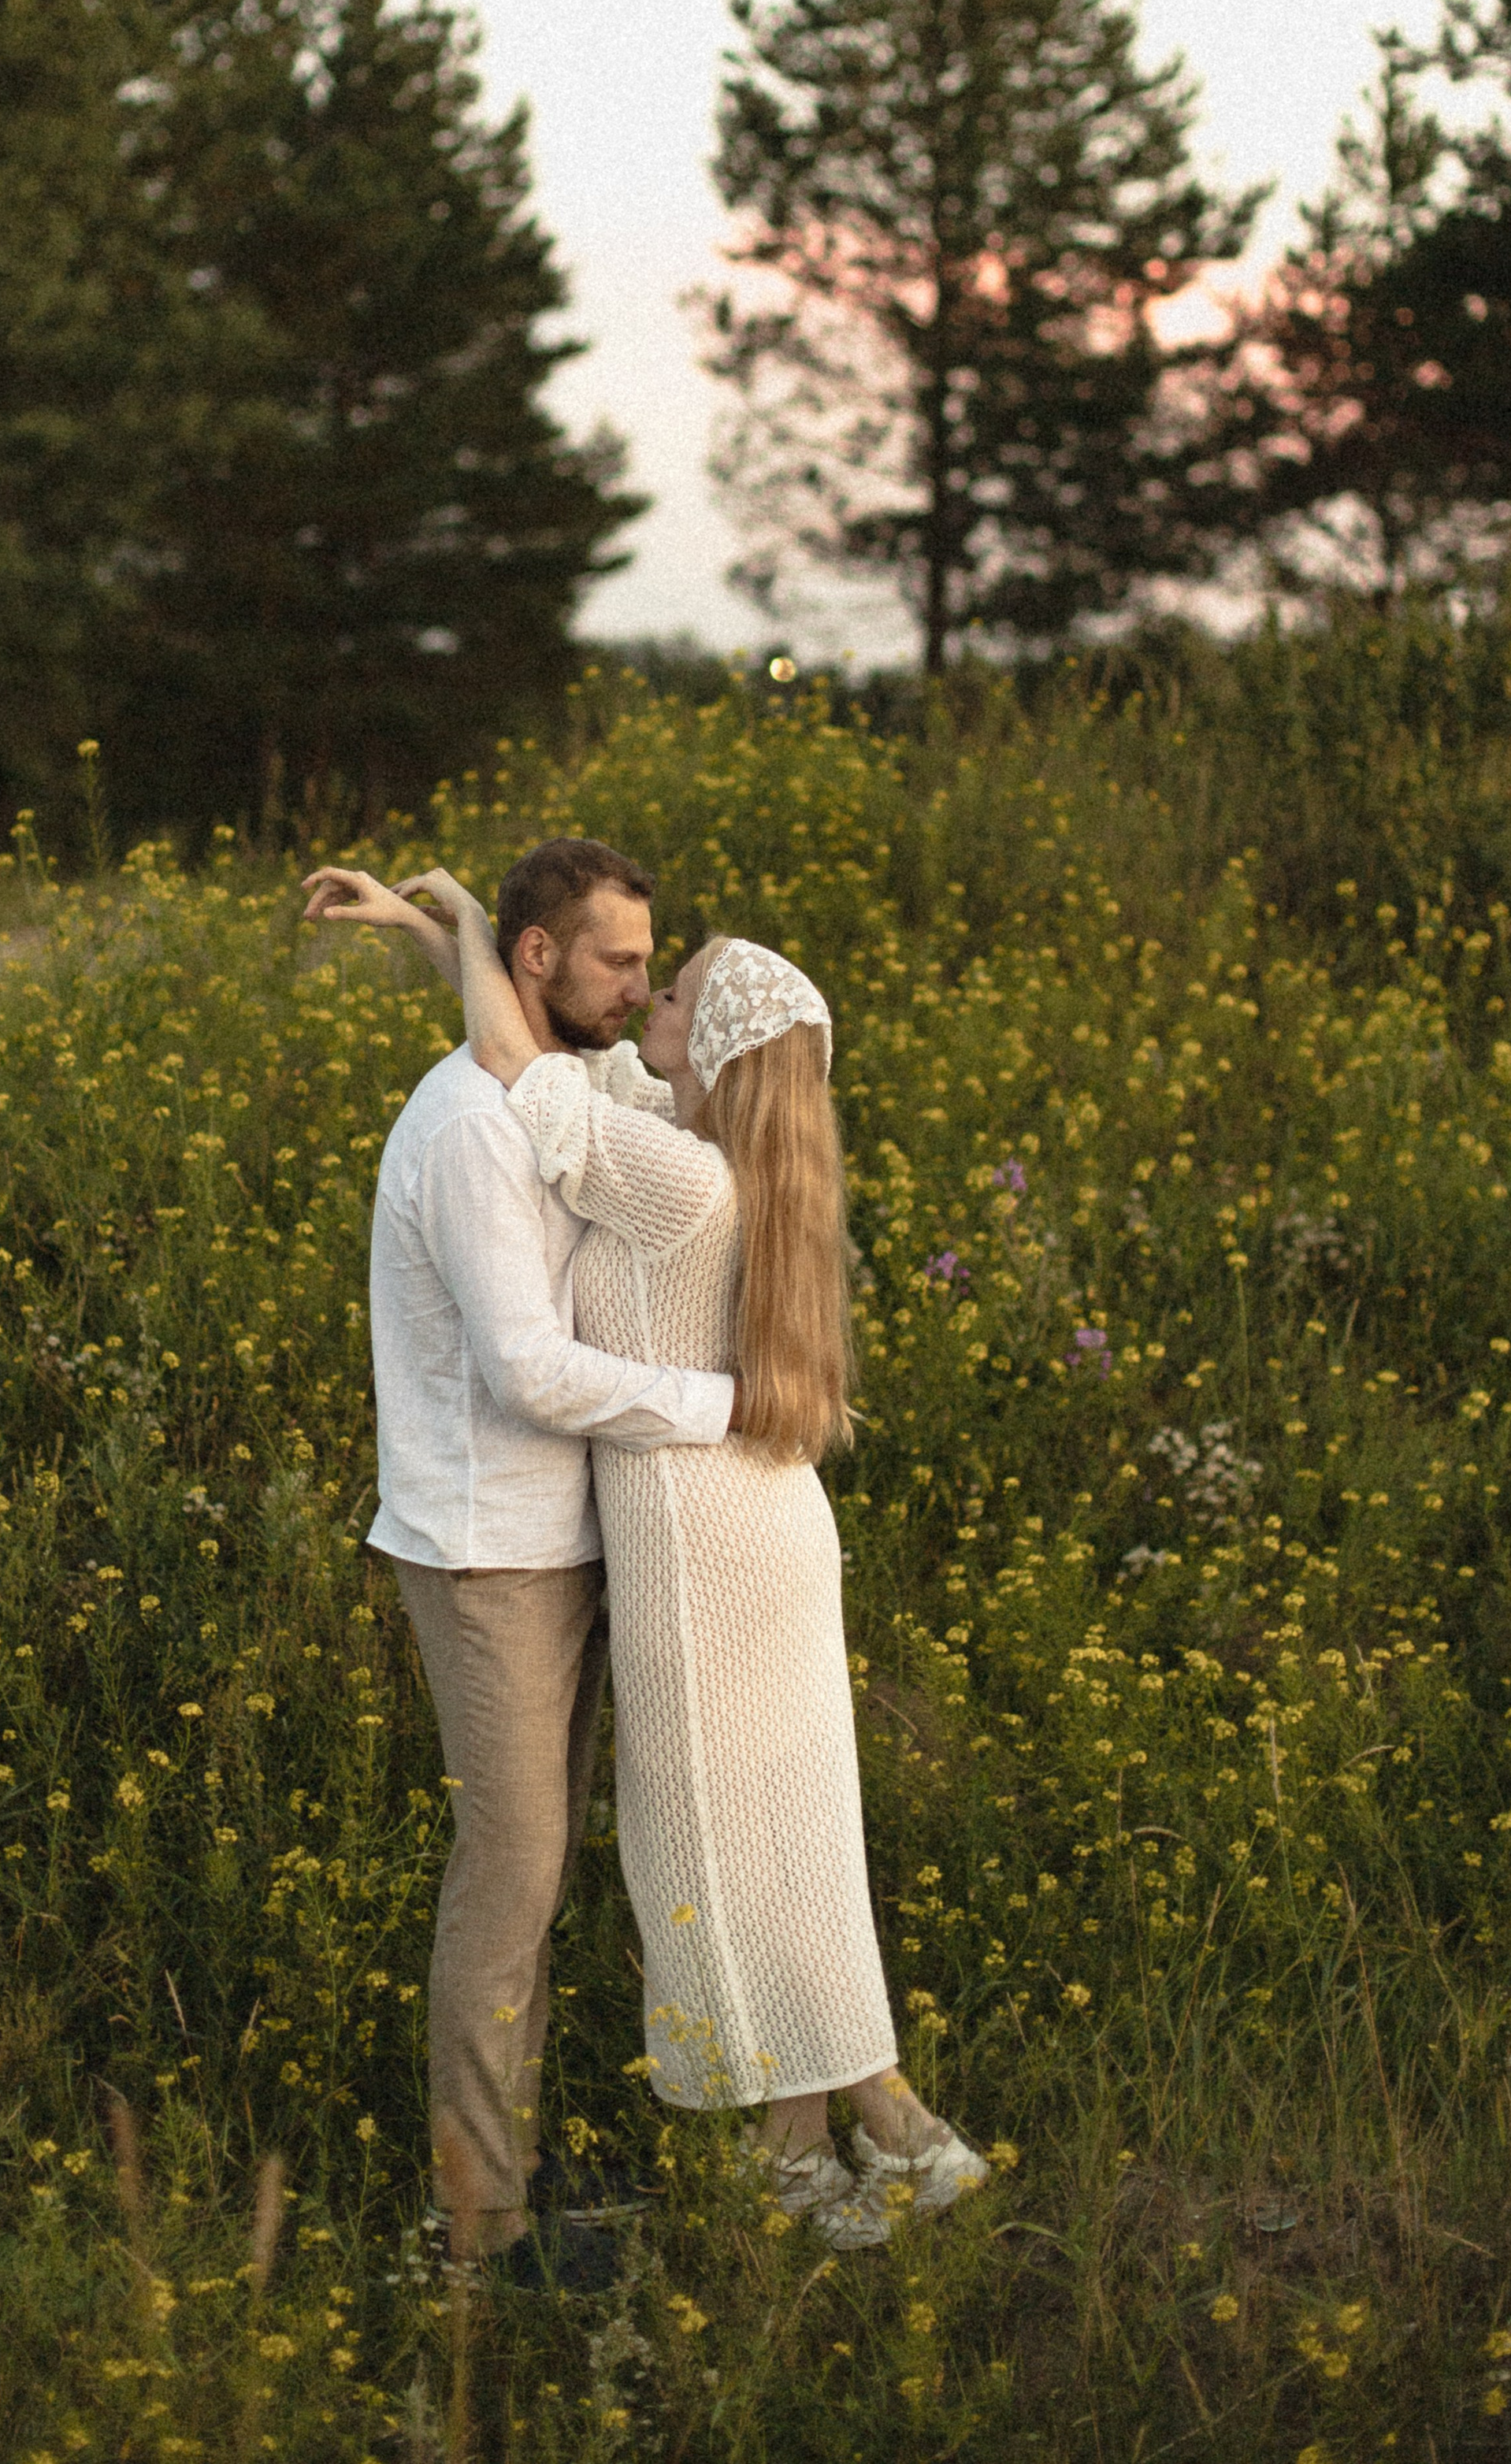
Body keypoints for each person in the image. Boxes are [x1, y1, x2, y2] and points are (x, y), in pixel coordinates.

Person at [368, 864, 990, 2251]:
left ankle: (810, 2155)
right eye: (641, 967)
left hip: (702, 1536)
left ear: (713, 1047)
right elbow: (539, 1055)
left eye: (681, 985)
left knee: (716, 1844)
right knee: (785, 1838)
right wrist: (450, 938)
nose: (654, 990)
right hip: (750, 1520)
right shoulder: (707, 1146)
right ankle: (868, 2131)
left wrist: (475, 935)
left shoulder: (671, 1178)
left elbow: (524, 1077)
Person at [303, 839, 738, 2279]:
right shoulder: (474, 1127)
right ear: (546, 963)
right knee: (513, 1874)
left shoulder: (540, 1081)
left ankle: (516, 2170)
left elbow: (519, 1030)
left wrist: (448, 927)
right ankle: (475, 2227)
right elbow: (527, 1370)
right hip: (488, 1552)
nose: (641, 984)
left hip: (565, 1538)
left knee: (544, 1877)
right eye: (619, 960)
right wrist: (728, 1412)